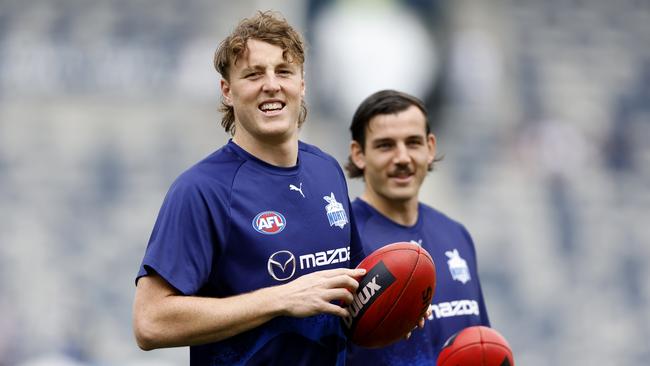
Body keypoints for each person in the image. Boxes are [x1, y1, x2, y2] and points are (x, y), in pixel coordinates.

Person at [132, 11, 366, 365]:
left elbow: (352, 292)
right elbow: (150, 323)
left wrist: (399, 306)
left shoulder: (327, 171)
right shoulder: (201, 190)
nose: (271, 84)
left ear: (302, 83)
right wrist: (280, 299)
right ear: (227, 90)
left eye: (283, 71)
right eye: (254, 74)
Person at [344, 90, 490, 365]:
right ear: (359, 154)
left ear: (430, 147)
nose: (402, 158)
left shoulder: (455, 234)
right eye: (385, 145)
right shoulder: (341, 238)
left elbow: (481, 342)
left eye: (413, 143)